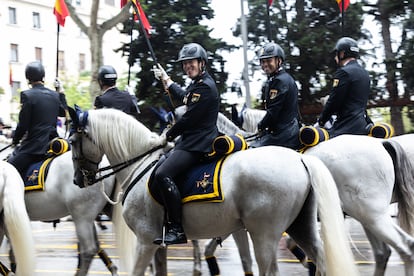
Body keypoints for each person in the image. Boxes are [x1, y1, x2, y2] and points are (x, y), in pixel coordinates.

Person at [151, 43, 220, 245]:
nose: (188, 66)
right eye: (185, 64)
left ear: (202, 63)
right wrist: (167, 80)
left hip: (198, 143)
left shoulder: (205, 86)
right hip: (192, 139)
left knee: (163, 174)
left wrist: (167, 135)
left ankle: (177, 228)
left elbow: (188, 119)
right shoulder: (198, 84)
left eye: (191, 63)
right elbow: (185, 97)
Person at [8, 61, 66, 179]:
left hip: (34, 147)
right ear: (42, 76)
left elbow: (23, 125)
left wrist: (15, 140)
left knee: (8, 171)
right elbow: (62, 112)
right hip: (53, 144)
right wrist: (60, 93)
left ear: (28, 78)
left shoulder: (27, 95)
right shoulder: (54, 95)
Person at [317, 37, 372, 138]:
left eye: (336, 54)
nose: (335, 58)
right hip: (362, 125)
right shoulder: (365, 73)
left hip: (346, 126)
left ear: (342, 54)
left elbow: (334, 101)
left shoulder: (343, 72)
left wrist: (321, 121)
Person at [250, 42, 301, 150]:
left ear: (279, 61)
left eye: (269, 61)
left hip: (282, 134)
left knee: (250, 149)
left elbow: (273, 111)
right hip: (289, 130)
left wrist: (260, 126)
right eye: (262, 62)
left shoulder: (279, 81)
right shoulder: (283, 78)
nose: (265, 65)